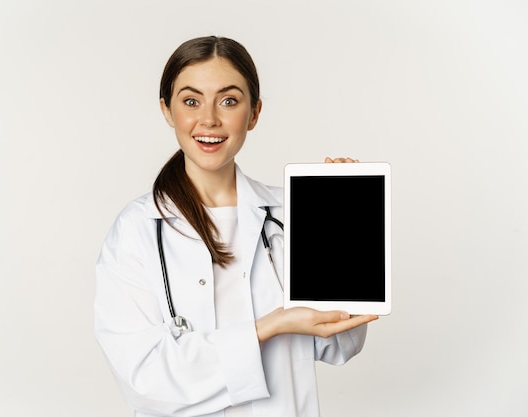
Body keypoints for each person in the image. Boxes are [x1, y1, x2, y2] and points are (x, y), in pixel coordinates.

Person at [94, 35, 378, 417]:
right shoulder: (137, 229)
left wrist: (347, 229)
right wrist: (268, 327)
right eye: (191, 101)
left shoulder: (293, 214)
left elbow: (338, 345)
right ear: (166, 110)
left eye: (229, 101)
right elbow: (145, 380)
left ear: (255, 113)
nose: (209, 119)